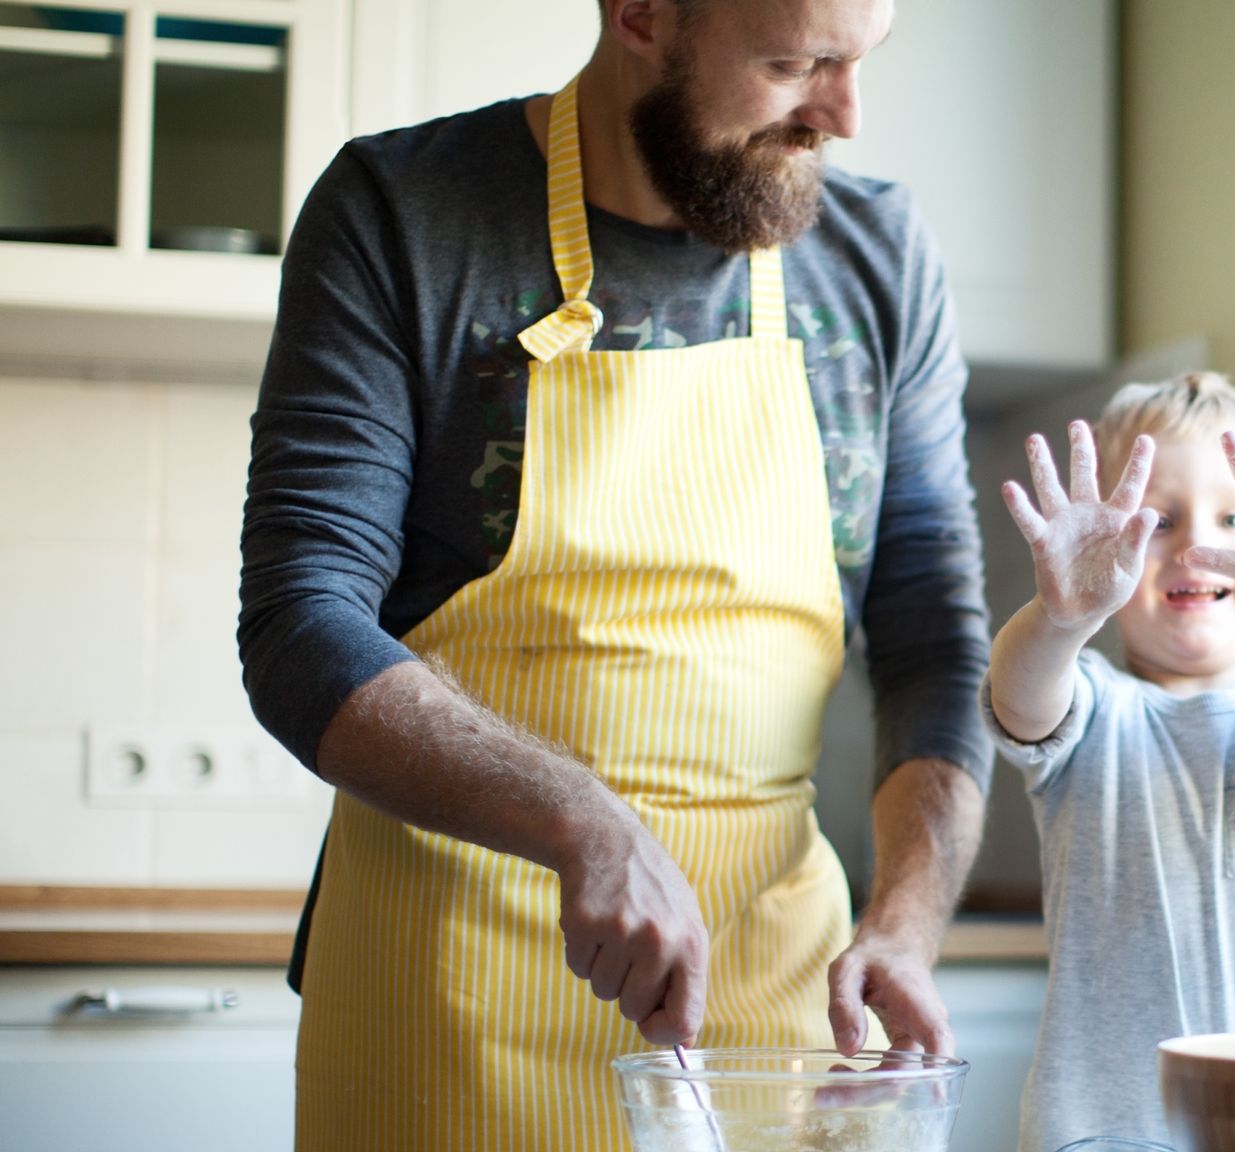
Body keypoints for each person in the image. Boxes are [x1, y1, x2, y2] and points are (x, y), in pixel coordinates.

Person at [237, 0, 993, 1146]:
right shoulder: (403, 211)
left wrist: (907, 917)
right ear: (640, 14)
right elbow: (300, 626)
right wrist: (584, 823)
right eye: (796, 63)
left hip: (769, 1010)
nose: (841, 114)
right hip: (449, 989)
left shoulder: (880, 257)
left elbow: (936, 634)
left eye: (861, 61)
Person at [982, 372, 1235, 1150]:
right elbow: (1019, 694)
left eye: (1233, 518)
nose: (1193, 548)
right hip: (1105, 1134)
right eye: (1157, 520)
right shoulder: (1094, 710)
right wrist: (1058, 616)